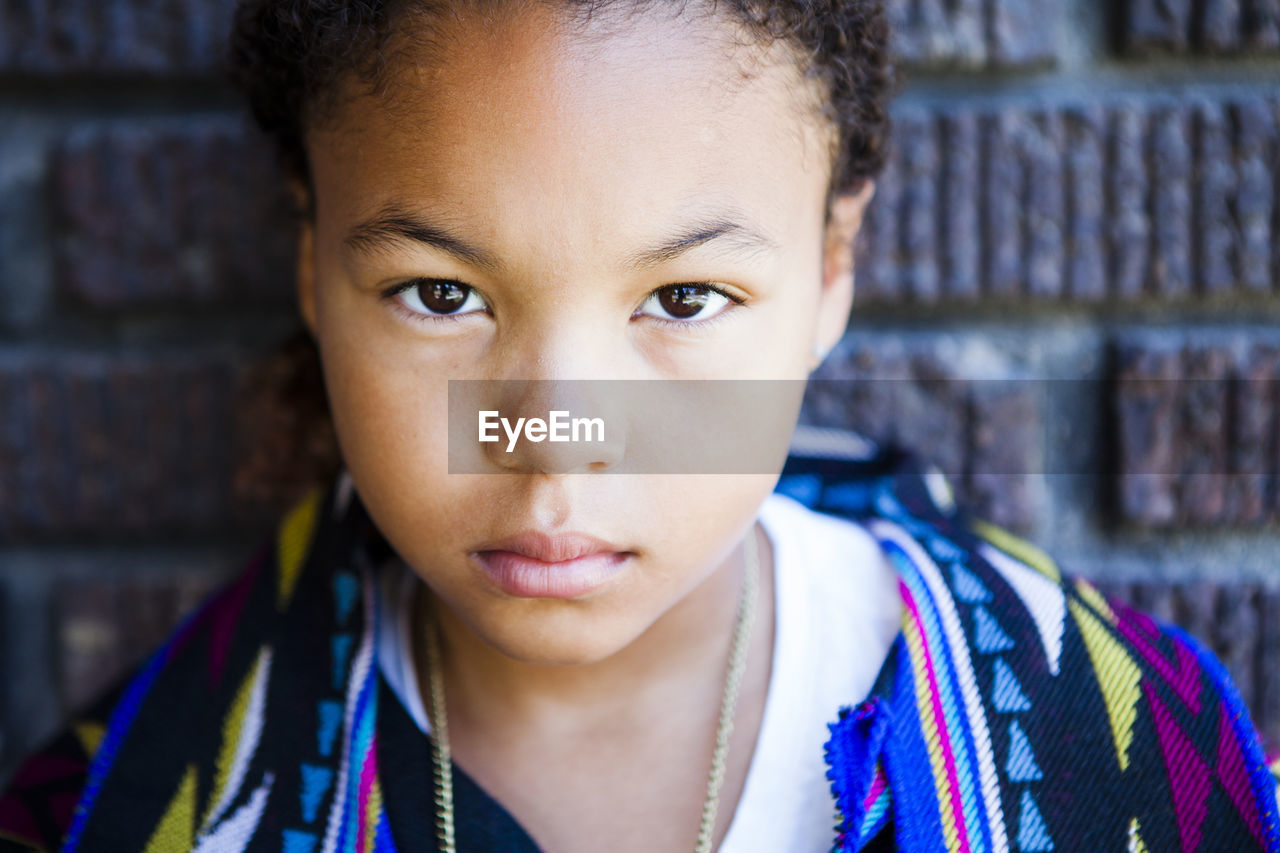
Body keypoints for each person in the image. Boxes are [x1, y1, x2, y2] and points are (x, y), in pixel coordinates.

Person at [2, 1, 1278, 851]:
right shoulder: (122, 801)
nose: (556, 444)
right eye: (440, 295)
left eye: (681, 299)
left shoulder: (1118, 748)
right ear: (309, 262)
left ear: (831, 267)